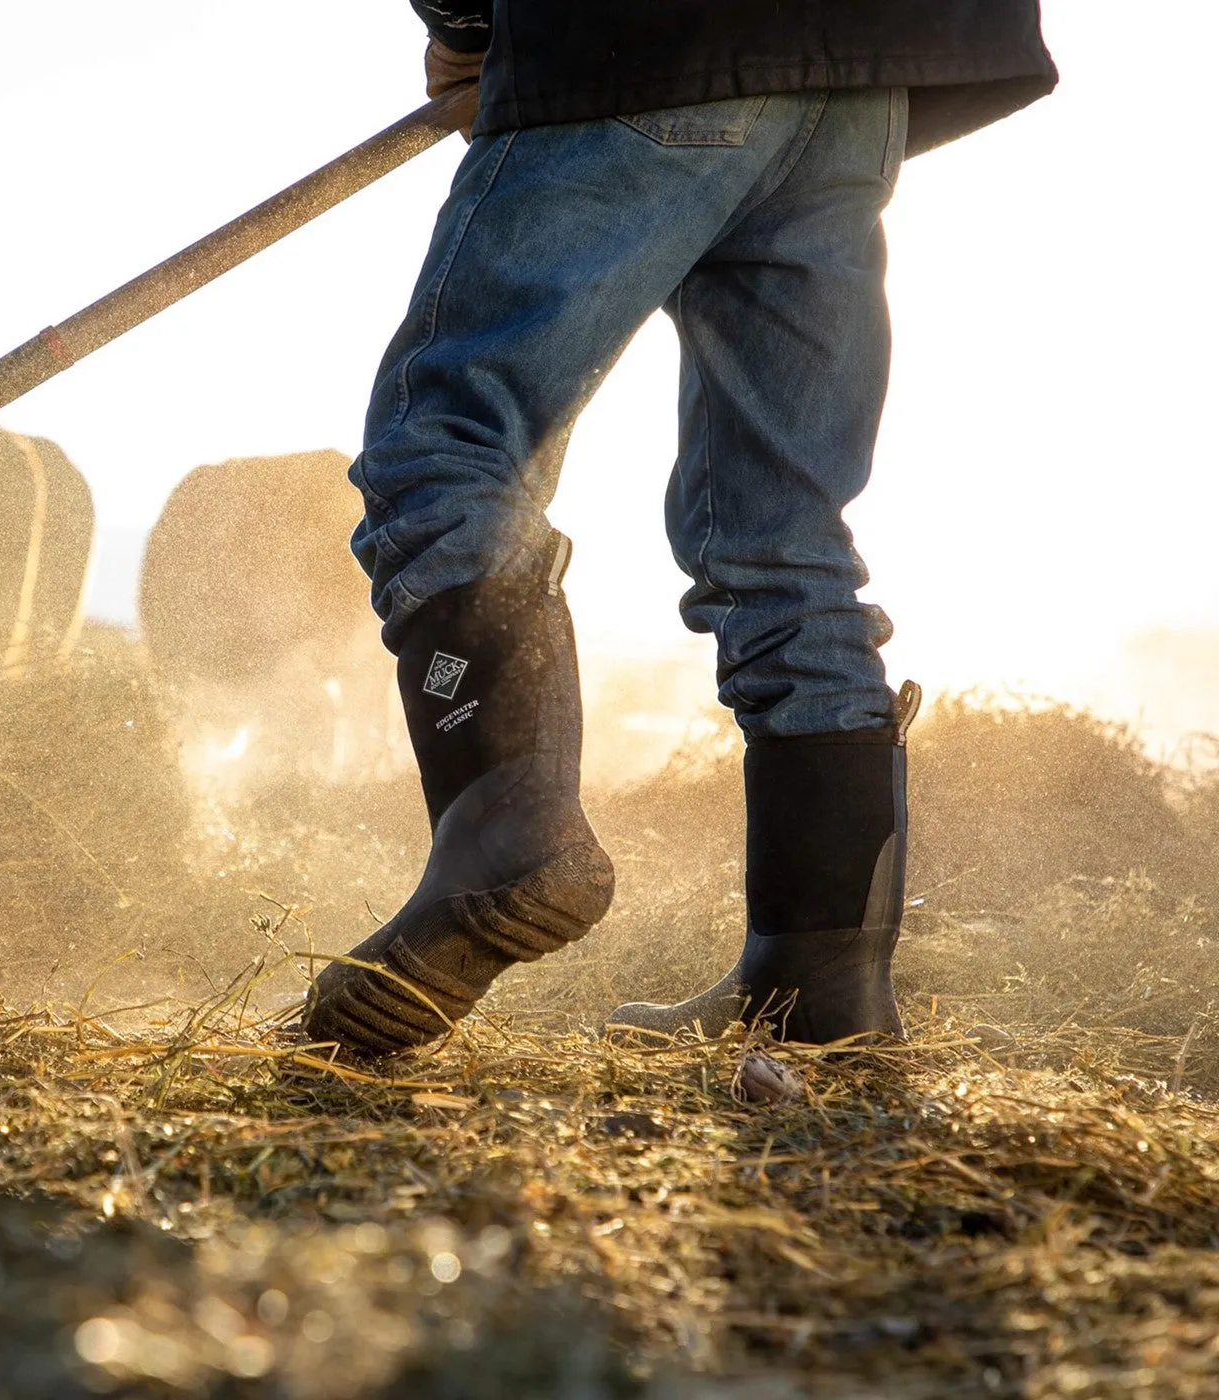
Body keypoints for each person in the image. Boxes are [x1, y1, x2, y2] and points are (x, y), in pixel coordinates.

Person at [303, 2, 1056, 1055]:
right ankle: (817, 986)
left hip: (645, 36)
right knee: (780, 530)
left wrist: (474, 31)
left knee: (445, 438)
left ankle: (506, 832)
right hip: (866, 63)